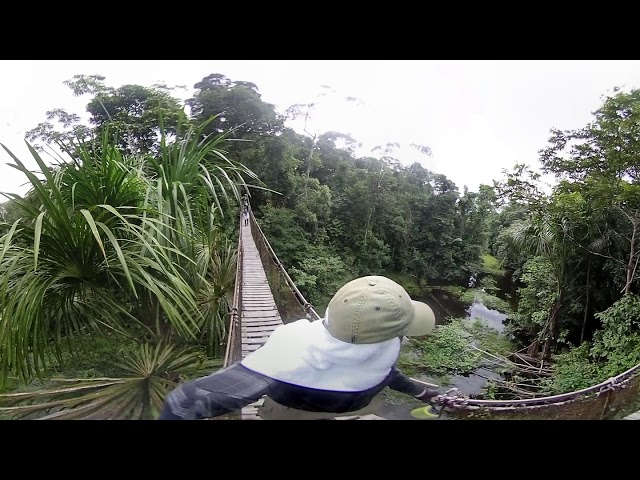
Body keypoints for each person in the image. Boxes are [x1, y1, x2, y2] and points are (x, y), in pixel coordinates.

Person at [158, 275, 441, 420]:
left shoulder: (380, 345)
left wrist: (423, 392)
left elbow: (385, 370)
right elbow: (182, 403)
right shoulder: (289, 355)